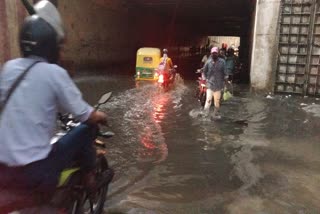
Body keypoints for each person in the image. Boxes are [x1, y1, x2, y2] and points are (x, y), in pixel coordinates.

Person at [0, 0, 106, 194]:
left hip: (4, 172)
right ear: (51, 45)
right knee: (86, 129)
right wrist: (101, 116)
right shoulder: (54, 73)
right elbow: (84, 114)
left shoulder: (8, 68)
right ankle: (90, 177)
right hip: (37, 174)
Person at [202, 47, 228, 119]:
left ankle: (215, 115)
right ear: (211, 54)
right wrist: (204, 79)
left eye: (215, 53)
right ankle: (205, 115)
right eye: (213, 53)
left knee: (217, 102)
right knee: (208, 100)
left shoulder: (222, 62)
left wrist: (226, 84)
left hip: (219, 86)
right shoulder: (208, 62)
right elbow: (204, 72)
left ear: (218, 53)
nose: (214, 54)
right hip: (210, 85)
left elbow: (225, 73)